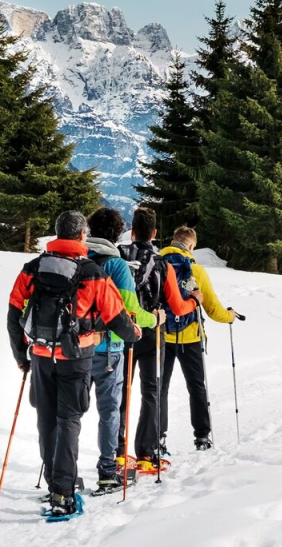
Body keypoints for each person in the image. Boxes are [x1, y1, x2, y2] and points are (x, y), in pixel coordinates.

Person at [7, 210, 139, 518]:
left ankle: (56, 482)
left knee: (47, 419)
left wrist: (20, 356)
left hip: (40, 355)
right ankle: (62, 495)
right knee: (69, 421)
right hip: (76, 357)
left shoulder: (33, 267)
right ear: (81, 235)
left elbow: (14, 314)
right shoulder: (92, 271)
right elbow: (116, 316)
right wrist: (134, 332)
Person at [120, 207, 200, 472]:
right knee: (151, 391)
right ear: (155, 234)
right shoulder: (162, 264)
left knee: (122, 390)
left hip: (123, 330)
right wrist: (193, 302)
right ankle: (147, 452)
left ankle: (117, 452)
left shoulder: (119, 257)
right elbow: (177, 307)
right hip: (154, 333)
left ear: (131, 232)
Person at [84, 207, 150, 494]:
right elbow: (129, 311)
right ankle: (107, 472)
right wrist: (153, 319)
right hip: (109, 348)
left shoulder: (76, 259)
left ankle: (62, 472)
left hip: (76, 348)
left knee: (71, 412)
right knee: (109, 411)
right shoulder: (116, 266)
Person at [159, 226, 241, 453]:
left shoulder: (157, 264)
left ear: (172, 241)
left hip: (162, 336)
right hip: (190, 337)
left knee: (160, 388)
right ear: (192, 246)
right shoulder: (196, 271)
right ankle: (202, 437)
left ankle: (159, 438)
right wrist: (230, 316)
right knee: (196, 387)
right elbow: (213, 309)